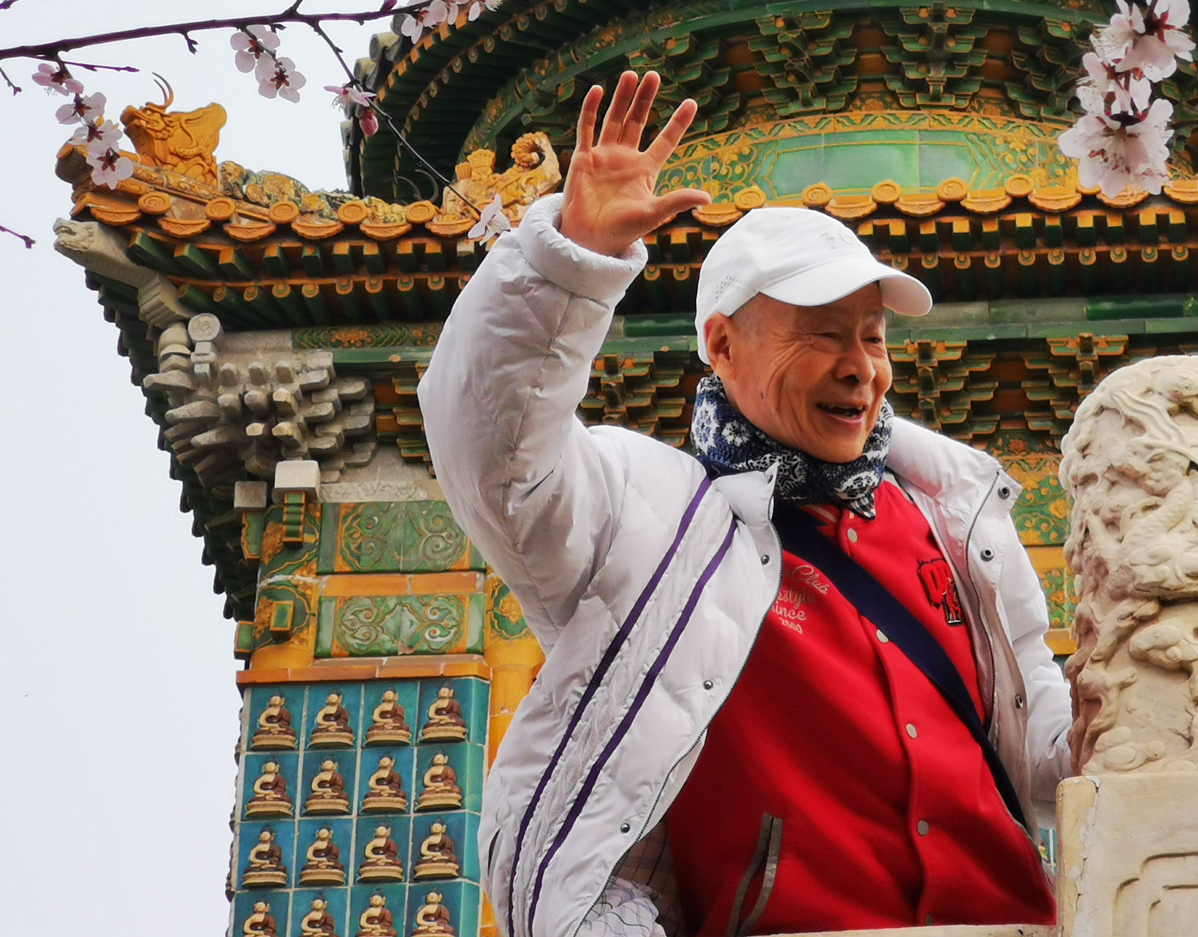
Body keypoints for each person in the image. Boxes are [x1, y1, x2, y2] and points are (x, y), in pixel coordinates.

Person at [423, 72, 1068, 937]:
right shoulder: (648, 518)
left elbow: (1048, 755)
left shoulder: (956, 520)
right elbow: (493, 449)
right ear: (722, 344)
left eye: (873, 338)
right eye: (822, 334)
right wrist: (567, 262)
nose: (861, 367)